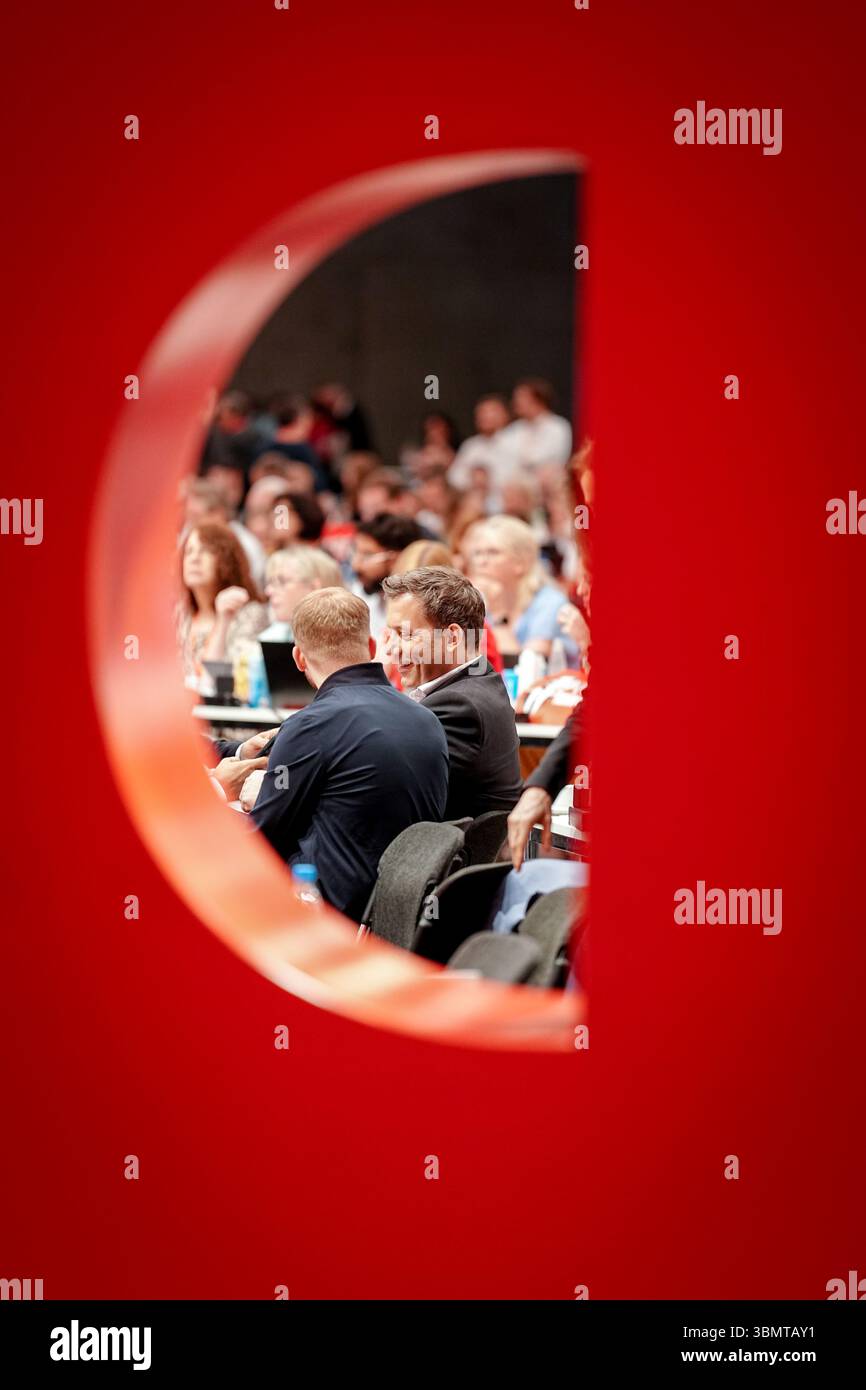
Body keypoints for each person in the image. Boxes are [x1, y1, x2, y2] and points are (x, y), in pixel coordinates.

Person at [250, 589, 449, 921]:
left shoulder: (311, 724)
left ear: (299, 658)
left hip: (325, 911)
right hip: (398, 913)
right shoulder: (426, 718)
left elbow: (261, 842)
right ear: (372, 647)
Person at [382, 567, 521, 820]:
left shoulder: (458, 706)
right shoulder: (479, 684)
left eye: (405, 634)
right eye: (390, 635)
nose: (391, 649)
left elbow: (382, 787)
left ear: (453, 637)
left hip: (437, 857)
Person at [464, 515, 577, 661]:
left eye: (493, 552)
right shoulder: (479, 599)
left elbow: (521, 666)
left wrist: (499, 614)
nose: (481, 561)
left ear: (521, 563)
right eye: (477, 553)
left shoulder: (550, 603)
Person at [178, 523, 269, 682]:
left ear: (227, 559)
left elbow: (219, 680)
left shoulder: (249, 614)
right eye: (189, 551)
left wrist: (223, 620)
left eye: (206, 550)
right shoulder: (179, 616)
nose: (195, 558)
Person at [351, 513, 425, 638]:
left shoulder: (420, 608)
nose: (356, 565)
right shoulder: (358, 593)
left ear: (396, 559)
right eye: (355, 552)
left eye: (367, 555)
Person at [259, 544, 345, 641]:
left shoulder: (344, 640)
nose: (268, 591)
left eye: (281, 582)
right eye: (271, 582)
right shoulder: (274, 635)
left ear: (314, 588)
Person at [497, 378, 572, 477]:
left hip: (547, 479)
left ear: (538, 400)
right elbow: (504, 455)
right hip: (516, 480)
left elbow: (555, 458)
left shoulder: (558, 426)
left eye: (521, 398)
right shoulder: (513, 430)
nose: (515, 402)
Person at [448, 394, 511, 491]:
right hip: (472, 497)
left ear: (505, 414)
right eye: (481, 412)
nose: (484, 416)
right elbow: (454, 478)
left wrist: (487, 480)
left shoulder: (515, 439)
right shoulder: (471, 445)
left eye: (491, 411)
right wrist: (472, 480)